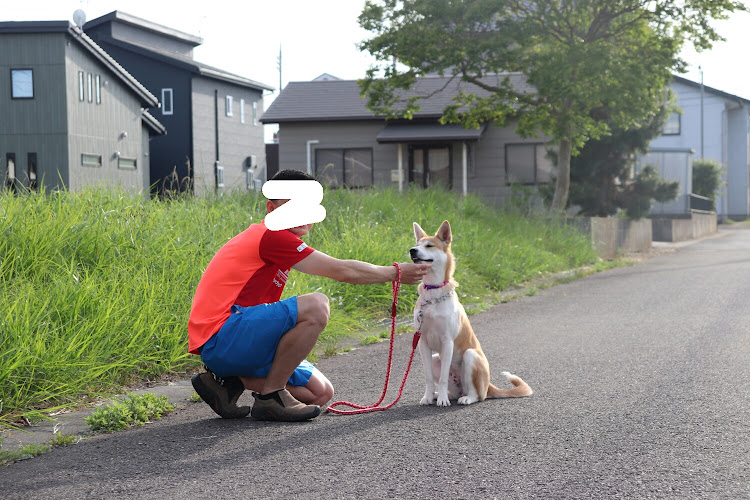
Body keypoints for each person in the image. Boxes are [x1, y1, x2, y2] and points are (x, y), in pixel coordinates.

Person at [188, 169, 431, 422]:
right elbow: (342, 270)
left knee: (319, 393)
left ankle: (227, 384)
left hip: (238, 338)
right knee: (317, 305)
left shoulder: (281, 239)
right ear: (272, 209)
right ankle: (271, 395)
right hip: (221, 338)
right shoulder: (271, 236)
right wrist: (395, 272)